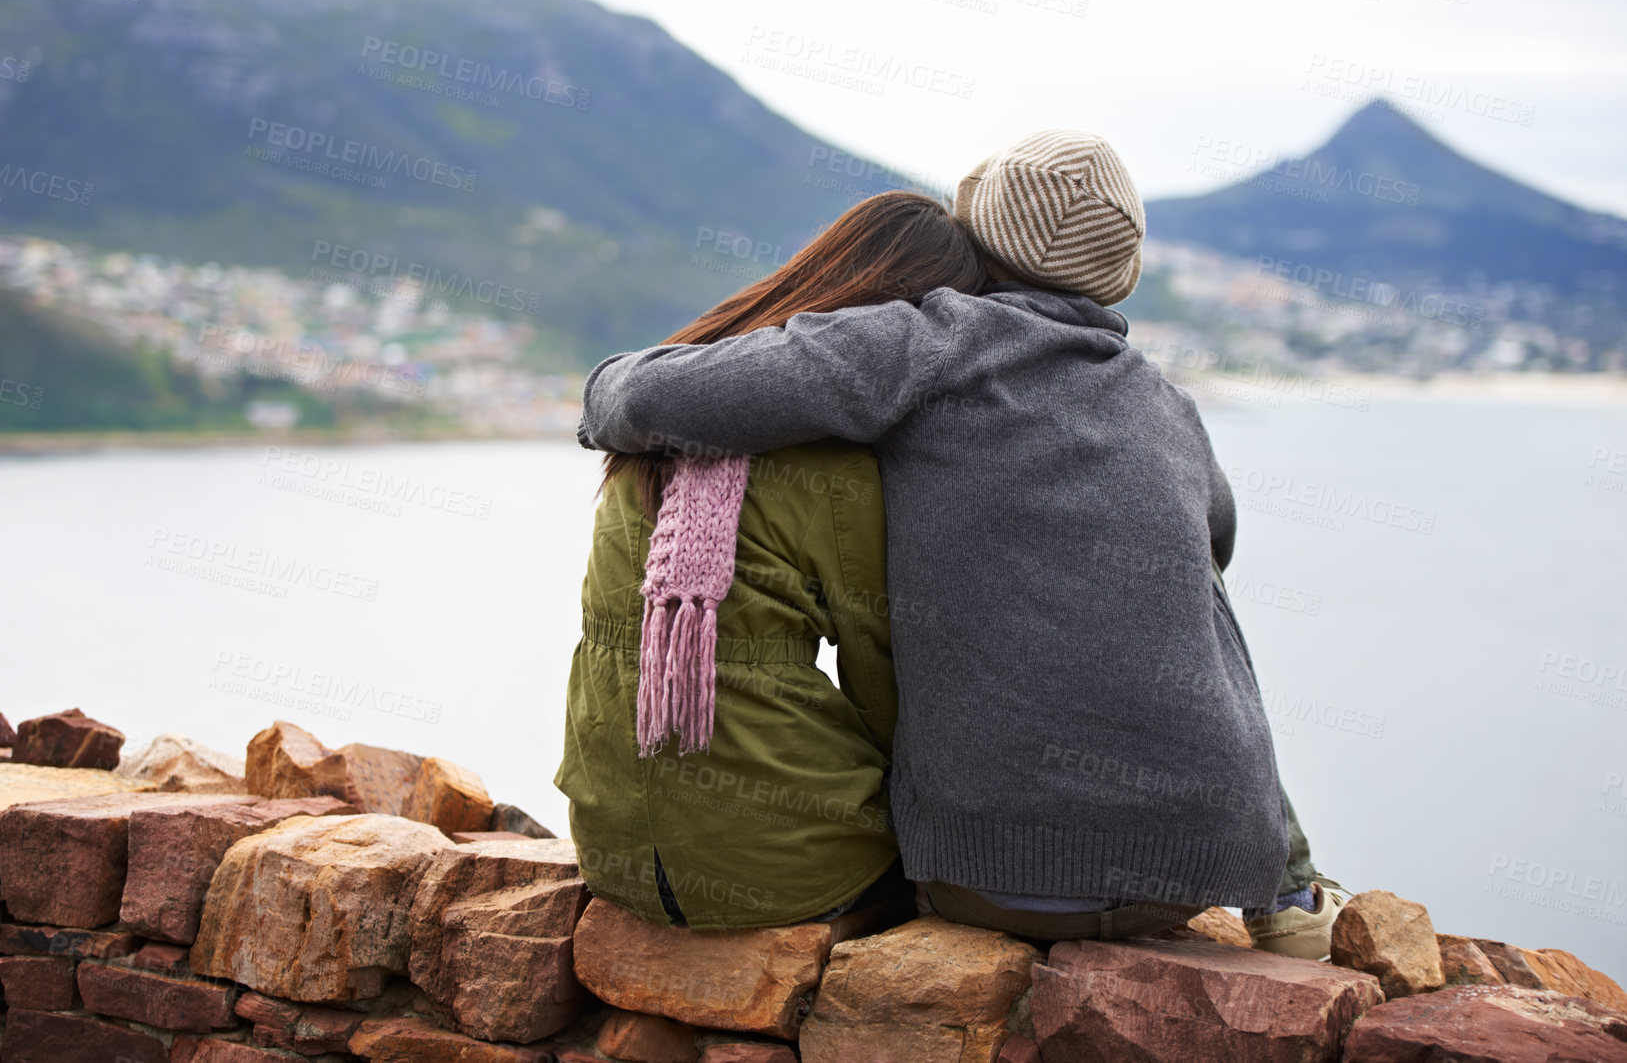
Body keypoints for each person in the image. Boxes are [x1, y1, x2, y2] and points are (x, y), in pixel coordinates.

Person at [577, 130, 1345, 951]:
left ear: (980, 232)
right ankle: (1292, 892)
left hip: (992, 880)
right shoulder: (1167, 407)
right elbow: (1211, 549)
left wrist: (605, 384)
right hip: (1188, 877)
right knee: (1199, 594)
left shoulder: (927, 341)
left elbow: (652, 393)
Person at [554, 190, 987, 928]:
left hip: (613, 844)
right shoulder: (833, 471)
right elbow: (887, 682)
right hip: (790, 865)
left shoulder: (646, 427)